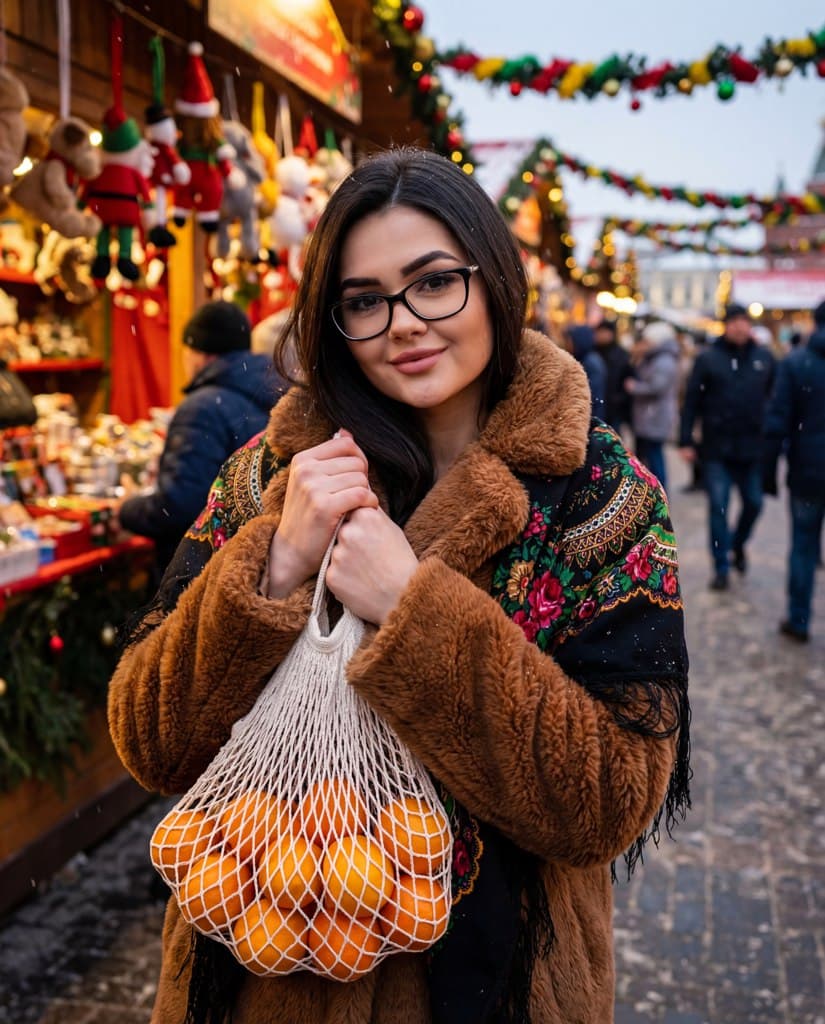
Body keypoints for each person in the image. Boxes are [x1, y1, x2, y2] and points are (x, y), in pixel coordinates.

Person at [108, 147, 690, 1024]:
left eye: (434, 283)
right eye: (364, 300)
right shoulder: (271, 474)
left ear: (492, 280)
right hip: (258, 979)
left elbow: (606, 801)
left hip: (496, 988)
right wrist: (274, 567)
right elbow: (150, 740)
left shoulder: (600, 497)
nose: (404, 323)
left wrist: (413, 613)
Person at [115, 300, 285, 573]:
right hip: (253, 561)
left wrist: (126, 510)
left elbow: (179, 506)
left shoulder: (202, 408)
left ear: (199, 354)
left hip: (199, 569)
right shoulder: (271, 391)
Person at [679, 303, 775, 591]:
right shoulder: (708, 359)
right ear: (726, 325)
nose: (740, 326)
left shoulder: (764, 358)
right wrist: (686, 439)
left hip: (752, 448)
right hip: (716, 449)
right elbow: (691, 402)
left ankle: (737, 543)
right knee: (718, 508)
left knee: (754, 503)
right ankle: (721, 566)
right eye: (734, 321)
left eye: (744, 321)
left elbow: (776, 399)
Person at [763, 299, 825, 642]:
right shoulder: (796, 363)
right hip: (808, 468)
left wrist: (769, 470)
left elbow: (777, 421)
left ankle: (799, 619)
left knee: (803, 545)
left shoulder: (797, 363)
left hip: (808, 471)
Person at [625, 320, 681, 492]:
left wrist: (635, 387)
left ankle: (660, 493)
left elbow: (657, 387)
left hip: (655, 415)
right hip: (651, 415)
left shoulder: (663, 360)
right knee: (652, 456)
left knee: (655, 457)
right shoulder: (656, 358)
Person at [593, 317, 631, 433]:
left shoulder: (621, 354)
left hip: (614, 409)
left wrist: (618, 399)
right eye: (599, 332)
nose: (601, 335)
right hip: (597, 405)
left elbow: (627, 379)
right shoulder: (593, 352)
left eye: (604, 332)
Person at [564, 323, 607, 418]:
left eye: (570, 340)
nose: (568, 344)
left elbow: (593, 396)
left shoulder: (590, 363)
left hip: (591, 416)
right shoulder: (587, 359)